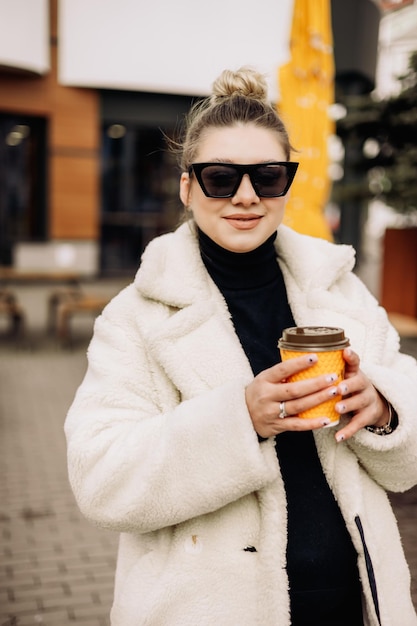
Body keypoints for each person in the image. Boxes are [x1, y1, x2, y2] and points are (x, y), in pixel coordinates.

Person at [65, 67, 417, 626]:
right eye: (221, 178)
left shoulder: (338, 289)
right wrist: (238, 419)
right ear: (187, 186)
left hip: (358, 603)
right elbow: (101, 480)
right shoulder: (134, 318)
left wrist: (383, 408)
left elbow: (408, 455)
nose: (247, 197)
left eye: (268, 176)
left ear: (286, 183)